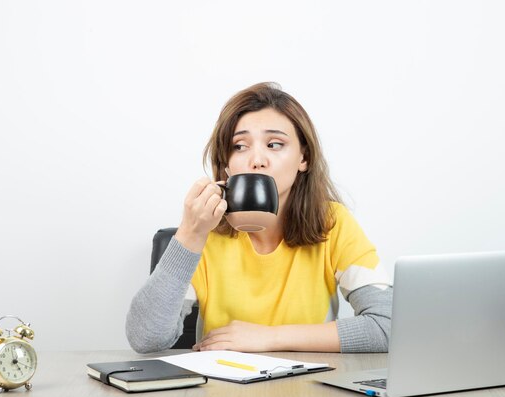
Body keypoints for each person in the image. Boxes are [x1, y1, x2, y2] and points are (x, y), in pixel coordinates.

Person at [126, 82, 392, 353]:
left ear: (304, 157)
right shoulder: (203, 233)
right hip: (221, 390)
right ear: (227, 164)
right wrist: (189, 234)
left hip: (311, 390)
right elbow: (146, 339)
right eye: (240, 146)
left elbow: (388, 327)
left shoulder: (333, 223)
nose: (257, 160)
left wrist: (270, 338)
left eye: (274, 144)